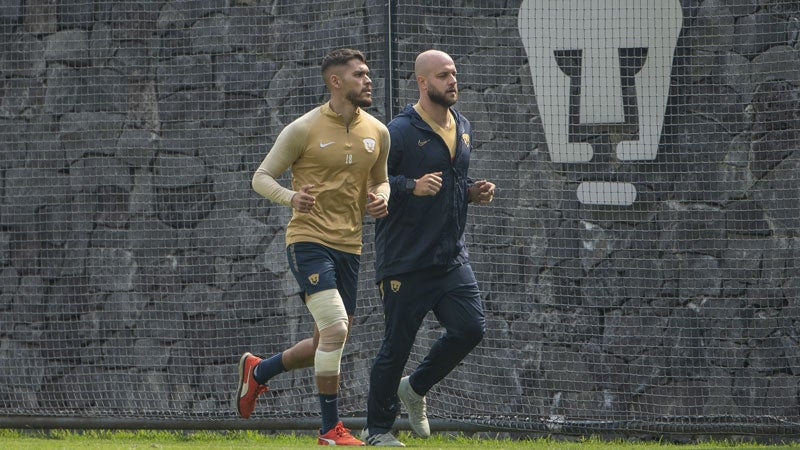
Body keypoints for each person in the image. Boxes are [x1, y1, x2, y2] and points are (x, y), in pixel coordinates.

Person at [235, 48, 390, 447]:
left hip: (350, 248)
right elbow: (261, 177)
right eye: (359, 75)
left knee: (326, 340)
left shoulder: (378, 132)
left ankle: (259, 371)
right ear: (336, 82)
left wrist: (381, 197)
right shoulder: (303, 128)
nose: (368, 80)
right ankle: (329, 430)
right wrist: (291, 198)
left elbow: (381, 180)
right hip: (308, 241)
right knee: (336, 329)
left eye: (367, 74)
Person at [361, 50, 495, 447]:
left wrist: (472, 193)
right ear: (422, 82)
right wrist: (409, 186)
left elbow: (450, 185)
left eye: (454, 73)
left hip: (451, 258)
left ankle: (415, 388)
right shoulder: (398, 132)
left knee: (470, 328)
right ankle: (377, 430)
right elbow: (372, 182)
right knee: (395, 348)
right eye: (443, 75)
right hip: (405, 261)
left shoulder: (464, 126)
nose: (453, 81)